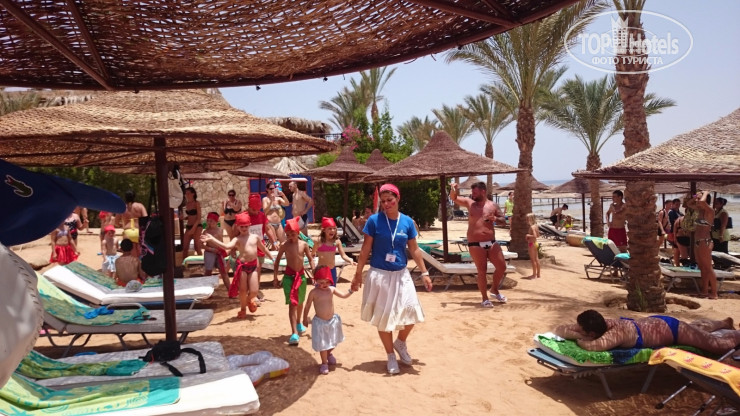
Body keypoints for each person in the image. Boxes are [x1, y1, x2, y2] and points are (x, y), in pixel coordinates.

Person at [351, 183, 433, 375]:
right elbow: (365, 249)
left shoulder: (407, 222)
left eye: (390, 200)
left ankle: (400, 342)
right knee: (384, 317)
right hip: (380, 275)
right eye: (383, 201)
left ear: (398, 198)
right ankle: (390, 355)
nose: (386, 204)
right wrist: (358, 274)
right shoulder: (374, 221)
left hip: (401, 274)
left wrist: (425, 273)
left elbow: (414, 249)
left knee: (412, 310)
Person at [553, 309, 740, 355]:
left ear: (592, 333)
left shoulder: (616, 333)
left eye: (582, 329)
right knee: (695, 328)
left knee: (717, 345)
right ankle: (723, 323)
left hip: (672, 330)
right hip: (656, 323)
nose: (577, 329)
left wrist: (580, 337)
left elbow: (593, 346)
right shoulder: (605, 323)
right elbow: (560, 329)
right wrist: (579, 332)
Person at [202, 212, 273, 319]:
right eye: (242, 226)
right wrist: (212, 239)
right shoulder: (237, 239)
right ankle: (243, 309)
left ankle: (249, 300)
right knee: (243, 290)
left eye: (246, 226)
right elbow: (226, 246)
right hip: (242, 266)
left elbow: (263, 248)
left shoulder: (255, 237)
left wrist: (272, 258)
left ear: (249, 225)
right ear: (238, 227)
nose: (244, 228)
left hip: (253, 265)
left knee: (254, 291)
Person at [449, 181, 508, 308]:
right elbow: (454, 198)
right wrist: (453, 189)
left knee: (502, 267)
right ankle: (485, 298)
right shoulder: (470, 203)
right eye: (472, 192)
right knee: (482, 271)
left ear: (483, 191)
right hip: (475, 243)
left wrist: (495, 219)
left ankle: (494, 289)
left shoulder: (493, 205)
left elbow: (504, 221)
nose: (473, 194)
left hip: (491, 242)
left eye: (475, 192)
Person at [302, 265, 353, 375]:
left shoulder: (332, 289)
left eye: (327, 282)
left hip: (332, 322)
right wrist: (304, 318)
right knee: (323, 344)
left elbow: (344, 296)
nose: (324, 284)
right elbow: (307, 306)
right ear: (316, 281)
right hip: (320, 323)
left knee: (334, 341)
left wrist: (351, 290)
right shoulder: (314, 292)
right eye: (321, 282)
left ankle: (329, 354)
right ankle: (324, 363)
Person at [273, 217, 315, 345]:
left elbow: (310, 259)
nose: (291, 237)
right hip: (289, 278)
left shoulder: (304, 245)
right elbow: (277, 261)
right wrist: (275, 277)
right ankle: (294, 333)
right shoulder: (284, 245)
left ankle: (298, 323)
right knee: (292, 304)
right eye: (288, 235)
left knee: (300, 302)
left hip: (301, 277)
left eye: (293, 234)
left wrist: (314, 273)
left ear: (298, 233)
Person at [686, 191, 718, 299]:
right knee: (702, 267)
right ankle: (704, 291)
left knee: (708, 267)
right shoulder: (699, 210)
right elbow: (688, 204)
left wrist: (705, 192)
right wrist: (696, 196)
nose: (697, 199)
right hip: (698, 241)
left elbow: (702, 202)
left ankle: (714, 293)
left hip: (705, 241)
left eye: (699, 197)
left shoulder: (710, 210)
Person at [313, 217, 356, 286]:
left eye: (334, 228)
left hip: (332, 270)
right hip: (321, 270)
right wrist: (313, 266)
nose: (332, 230)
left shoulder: (337, 242)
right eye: (330, 228)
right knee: (320, 290)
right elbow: (312, 254)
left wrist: (350, 260)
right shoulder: (318, 241)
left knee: (331, 290)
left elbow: (343, 255)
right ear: (323, 230)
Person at [246, 193, 279, 265]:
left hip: (260, 248)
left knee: (258, 269)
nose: (256, 212)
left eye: (258, 210)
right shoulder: (244, 217)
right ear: (249, 206)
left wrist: (274, 242)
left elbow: (268, 229)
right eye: (254, 210)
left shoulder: (261, 216)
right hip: (247, 249)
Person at [202, 212, 230, 290]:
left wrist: (223, 250)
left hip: (219, 252)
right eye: (208, 220)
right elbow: (201, 245)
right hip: (209, 252)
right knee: (208, 271)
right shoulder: (206, 232)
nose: (209, 222)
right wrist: (211, 249)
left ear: (216, 221)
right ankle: (206, 289)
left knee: (224, 272)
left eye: (211, 221)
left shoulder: (220, 230)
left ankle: (230, 289)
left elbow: (221, 242)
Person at [118, 190, 147, 257]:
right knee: (139, 252)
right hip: (138, 230)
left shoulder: (122, 207)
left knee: (129, 254)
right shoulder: (140, 206)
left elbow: (116, 222)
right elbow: (146, 218)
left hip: (127, 232)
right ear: (134, 197)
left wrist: (122, 225)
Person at [182, 186, 203, 256]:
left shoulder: (197, 203)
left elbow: (198, 218)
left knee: (197, 247)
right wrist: (184, 218)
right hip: (189, 226)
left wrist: (193, 228)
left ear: (193, 194)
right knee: (185, 248)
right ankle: (184, 262)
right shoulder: (187, 204)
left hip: (197, 226)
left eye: (188, 193)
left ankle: (202, 261)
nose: (186, 195)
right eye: (186, 193)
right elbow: (190, 216)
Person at [525, 213, 540, 279]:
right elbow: (538, 235)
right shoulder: (536, 226)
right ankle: (538, 274)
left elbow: (535, 236)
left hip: (531, 244)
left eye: (527, 219)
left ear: (531, 219)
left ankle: (534, 275)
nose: (526, 220)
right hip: (535, 243)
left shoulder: (532, 227)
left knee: (533, 260)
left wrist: (528, 235)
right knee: (536, 259)